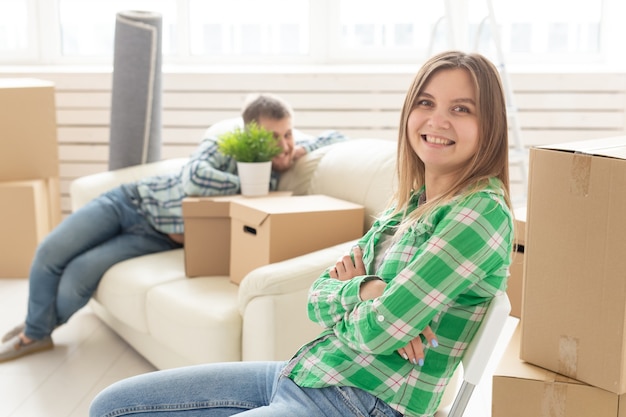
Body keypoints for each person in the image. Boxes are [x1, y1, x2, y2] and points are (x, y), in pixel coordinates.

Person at [89, 50, 514, 417]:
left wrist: (367, 305)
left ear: (489, 124)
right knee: (111, 405)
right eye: (426, 102)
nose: (437, 120)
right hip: (308, 370)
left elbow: (379, 332)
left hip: (360, 401)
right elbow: (318, 297)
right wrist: (370, 292)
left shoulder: (479, 213)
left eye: (461, 109)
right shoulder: (410, 201)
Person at [0, 93, 346, 363]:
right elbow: (194, 179)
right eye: (274, 137)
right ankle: (34, 330)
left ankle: (37, 331)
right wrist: (248, 182)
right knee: (50, 252)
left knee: (77, 277)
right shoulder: (224, 144)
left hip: (157, 237)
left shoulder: (276, 166)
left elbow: (335, 136)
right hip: (129, 202)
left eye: (288, 133)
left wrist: (300, 147)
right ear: (250, 133)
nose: (284, 144)